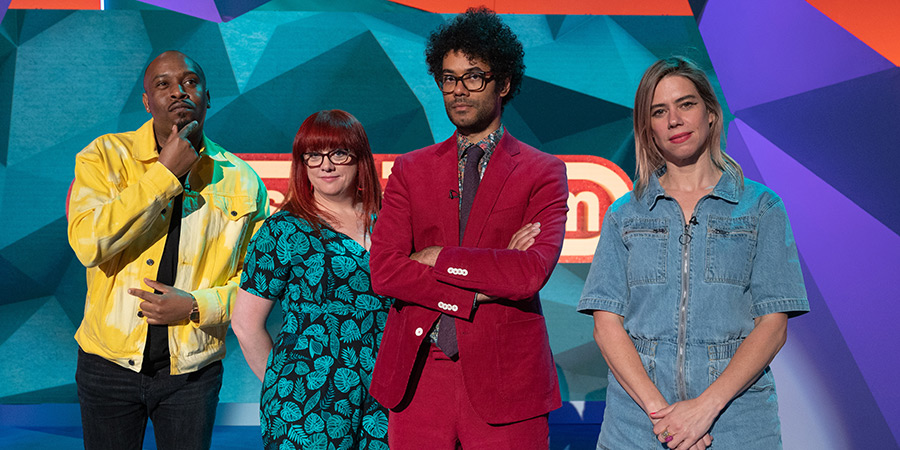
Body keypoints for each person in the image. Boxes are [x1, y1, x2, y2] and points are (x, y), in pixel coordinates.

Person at [576, 56, 809, 449]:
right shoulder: (624, 214)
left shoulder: (761, 208)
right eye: (659, 111)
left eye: (686, 104)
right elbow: (606, 325)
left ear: (711, 113)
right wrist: (664, 418)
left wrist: (702, 410)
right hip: (637, 428)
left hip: (736, 425)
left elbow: (773, 325)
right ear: (648, 129)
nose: (674, 120)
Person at [368, 7, 569, 449]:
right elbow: (384, 271)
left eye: (474, 76)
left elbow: (529, 273)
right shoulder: (409, 169)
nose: (459, 90)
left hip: (508, 382)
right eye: (449, 77)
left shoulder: (543, 172)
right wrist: (485, 277)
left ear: (505, 82)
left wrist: (437, 258)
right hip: (419, 376)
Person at [67, 51, 269, 449]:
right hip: (107, 363)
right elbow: (89, 244)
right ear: (147, 102)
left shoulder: (242, 179)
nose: (179, 91)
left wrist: (196, 305)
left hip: (193, 372)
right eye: (163, 84)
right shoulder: (104, 156)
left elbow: (258, 285)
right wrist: (164, 173)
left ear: (207, 97)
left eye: (191, 82)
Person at [232, 110, 392, 450]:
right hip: (306, 402)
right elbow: (245, 324)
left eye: (338, 153)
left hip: (385, 398)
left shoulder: (391, 222)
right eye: (314, 155)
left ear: (359, 156)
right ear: (302, 163)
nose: (326, 165)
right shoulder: (283, 230)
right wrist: (284, 385)